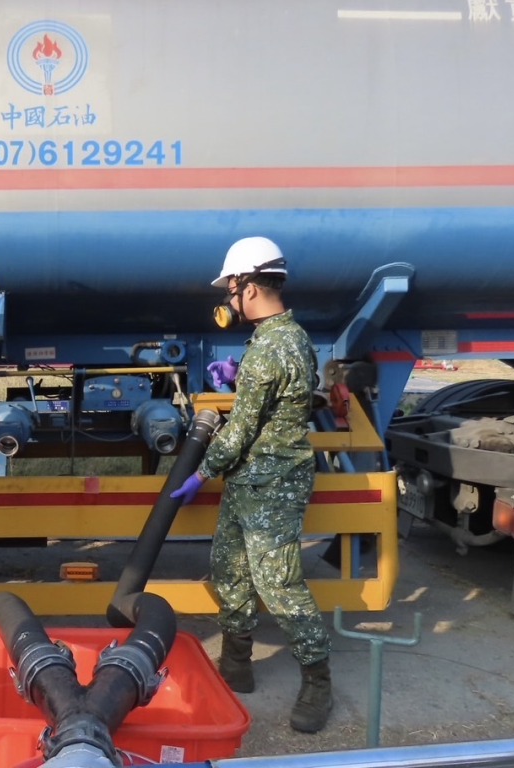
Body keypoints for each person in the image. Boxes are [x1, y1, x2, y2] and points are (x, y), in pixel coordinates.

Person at [170, 236, 332, 733]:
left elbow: (239, 430)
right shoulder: (286, 338)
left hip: (272, 484)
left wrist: (200, 473)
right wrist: (241, 378)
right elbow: (280, 397)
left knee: (279, 584)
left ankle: (318, 682)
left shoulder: (271, 347)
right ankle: (237, 665)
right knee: (231, 572)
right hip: (249, 480)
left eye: (230, 288)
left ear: (249, 286)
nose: (228, 299)